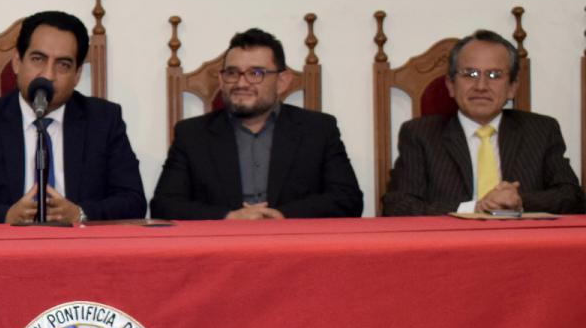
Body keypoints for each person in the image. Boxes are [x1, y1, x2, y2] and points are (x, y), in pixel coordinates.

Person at [0, 11, 146, 224]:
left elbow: (133, 201)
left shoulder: (104, 120)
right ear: (17, 62)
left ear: (77, 75)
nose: (48, 75)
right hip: (7, 245)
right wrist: (5, 216)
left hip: (80, 243)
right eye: (38, 59)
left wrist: (80, 214)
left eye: (63, 64)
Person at [149, 28, 362, 220]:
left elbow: (348, 199)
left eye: (256, 73)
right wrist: (229, 217)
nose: (241, 83)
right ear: (221, 80)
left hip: (294, 243)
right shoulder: (192, 134)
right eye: (232, 73)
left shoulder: (318, 129)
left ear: (282, 81)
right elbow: (164, 205)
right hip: (221, 245)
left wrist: (283, 215)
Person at [382, 30, 585, 216]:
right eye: (470, 74)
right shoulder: (421, 134)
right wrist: (474, 208)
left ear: (512, 88)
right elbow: (397, 205)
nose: (481, 86)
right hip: (452, 241)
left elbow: (572, 197)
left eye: (494, 75)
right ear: (450, 85)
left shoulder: (540, 130)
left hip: (522, 240)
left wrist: (518, 201)